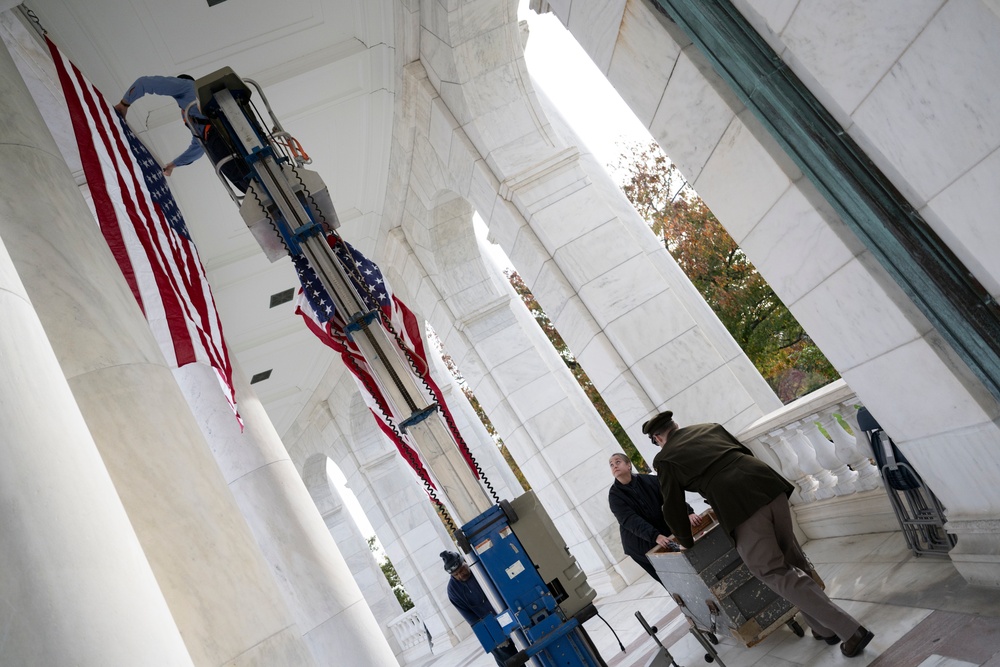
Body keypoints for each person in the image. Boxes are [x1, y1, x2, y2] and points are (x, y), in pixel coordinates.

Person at [645, 411, 875, 659]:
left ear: (658, 438)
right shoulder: (710, 427)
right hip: (768, 484)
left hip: (739, 505)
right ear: (676, 425)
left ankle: (850, 631)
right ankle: (824, 628)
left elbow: (672, 505)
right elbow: (744, 452)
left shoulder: (665, 458)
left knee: (772, 571)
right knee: (792, 558)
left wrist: (686, 541)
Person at [114, 75, 252, 191]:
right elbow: (198, 146)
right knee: (244, 181)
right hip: (214, 142)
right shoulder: (190, 111)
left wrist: (124, 104)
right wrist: (174, 164)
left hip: (220, 136)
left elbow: (143, 83)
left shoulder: (186, 85)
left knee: (244, 179)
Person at [607, 452, 702, 584]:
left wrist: (688, 512)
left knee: (690, 571)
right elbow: (630, 520)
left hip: (661, 533)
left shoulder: (649, 481)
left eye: (618, 462)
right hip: (640, 545)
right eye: (611, 465)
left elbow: (671, 497)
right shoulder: (614, 496)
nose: (614, 466)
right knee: (671, 581)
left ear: (628, 465)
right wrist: (655, 536)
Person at [441, 551, 517, 666]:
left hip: (509, 611)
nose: (460, 576)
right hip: (490, 624)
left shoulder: (480, 566)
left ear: (465, 561)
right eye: (456, 575)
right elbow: (472, 620)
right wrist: (494, 636)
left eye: (462, 570)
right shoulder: (453, 591)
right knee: (507, 660)